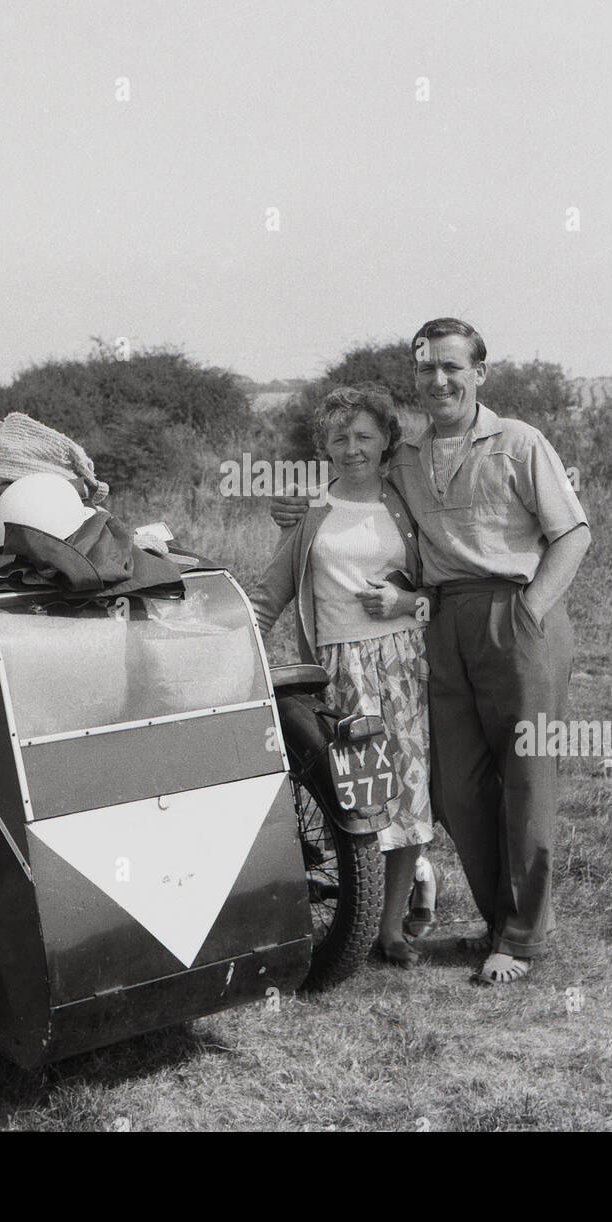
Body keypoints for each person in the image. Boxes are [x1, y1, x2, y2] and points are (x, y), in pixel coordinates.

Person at [272, 319, 591, 984]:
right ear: (415, 379)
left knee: (527, 781)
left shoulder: (519, 442)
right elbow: (349, 479)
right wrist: (299, 507)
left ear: (480, 372)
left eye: (452, 367)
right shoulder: (408, 456)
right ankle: (497, 918)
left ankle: (523, 938)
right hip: (440, 624)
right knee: (453, 790)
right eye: (426, 370)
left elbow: (572, 535)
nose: (439, 380)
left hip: (516, 614)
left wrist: (530, 610)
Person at [249, 385, 436, 966]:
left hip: (403, 667)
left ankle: (391, 931)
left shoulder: (410, 505)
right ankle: (356, 917)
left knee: (407, 797)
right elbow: (270, 592)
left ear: (386, 441)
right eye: (339, 438)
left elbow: (441, 592)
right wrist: (235, 640)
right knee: (358, 800)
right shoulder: (309, 512)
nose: (352, 448)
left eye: (363, 436)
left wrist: (405, 605)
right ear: (323, 445)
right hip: (339, 674)